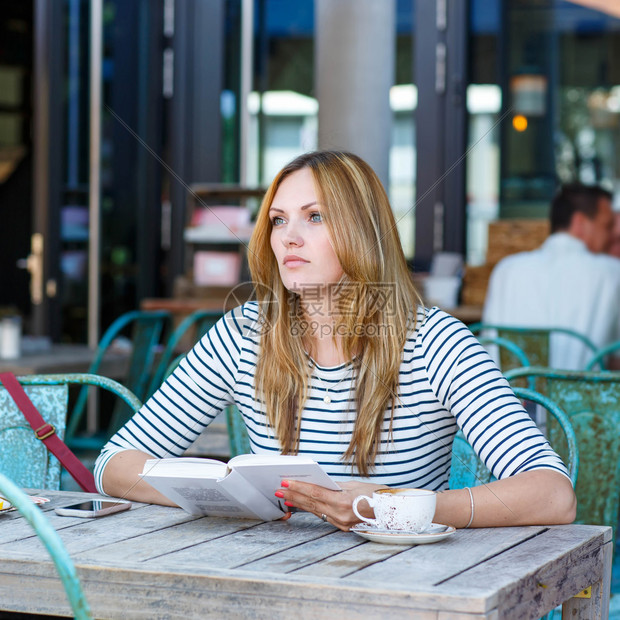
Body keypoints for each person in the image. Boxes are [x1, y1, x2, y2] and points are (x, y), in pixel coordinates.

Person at [95, 150, 575, 532]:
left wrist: (387, 508)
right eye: (278, 220)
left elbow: (552, 494)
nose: (288, 238)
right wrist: (230, 496)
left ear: (364, 232)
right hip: (266, 581)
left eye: (315, 217)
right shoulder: (245, 333)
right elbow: (113, 464)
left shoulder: (435, 342)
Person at [483, 183, 620, 370]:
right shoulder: (611, 273)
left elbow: (488, 348)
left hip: (506, 396)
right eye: (607, 226)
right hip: (581, 398)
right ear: (580, 223)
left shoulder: (506, 270)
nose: (612, 236)